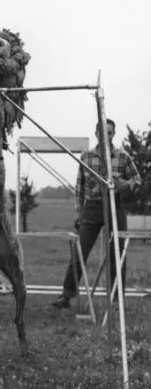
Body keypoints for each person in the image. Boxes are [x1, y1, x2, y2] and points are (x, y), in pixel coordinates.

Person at [51, 119, 141, 309]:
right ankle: (66, 296)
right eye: (102, 132)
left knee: (116, 254)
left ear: (113, 135)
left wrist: (125, 183)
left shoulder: (122, 157)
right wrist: (79, 212)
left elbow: (137, 180)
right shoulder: (86, 157)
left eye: (110, 133)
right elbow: (80, 187)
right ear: (96, 134)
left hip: (115, 207)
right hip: (91, 208)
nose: (106, 136)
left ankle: (117, 300)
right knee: (79, 252)